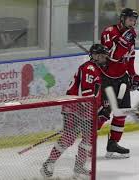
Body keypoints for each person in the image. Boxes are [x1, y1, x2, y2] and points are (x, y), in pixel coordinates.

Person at [40, 44, 109, 178]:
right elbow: (86, 93)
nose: (105, 58)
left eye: (105, 56)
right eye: (102, 56)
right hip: (74, 106)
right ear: (96, 56)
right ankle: (49, 163)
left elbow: (94, 95)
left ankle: (79, 168)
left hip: (86, 107)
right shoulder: (89, 68)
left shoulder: (96, 69)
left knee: (89, 139)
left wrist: (100, 108)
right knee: (69, 137)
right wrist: (96, 111)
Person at [100, 8, 139, 158]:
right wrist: (124, 40)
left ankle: (112, 144)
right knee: (102, 114)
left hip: (122, 78)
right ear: (122, 19)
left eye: (134, 20)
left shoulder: (131, 37)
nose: (132, 23)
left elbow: (129, 59)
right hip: (106, 78)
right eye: (130, 19)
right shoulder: (109, 32)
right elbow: (112, 57)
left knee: (122, 112)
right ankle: (87, 142)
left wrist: (133, 75)